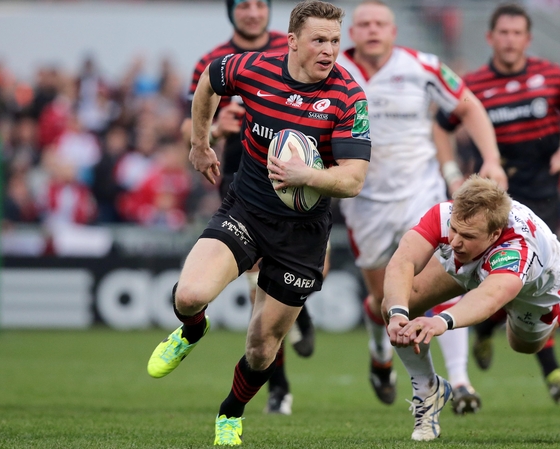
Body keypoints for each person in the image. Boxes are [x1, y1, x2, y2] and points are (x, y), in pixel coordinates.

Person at [146, 1, 371, 445]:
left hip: (302, 234)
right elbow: (210, 79)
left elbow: (353, 180)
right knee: (189, 296)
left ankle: (231, 412)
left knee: (261, 345)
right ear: (292, 42)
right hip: (246, 210)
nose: (329, 50)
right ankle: (193, 330)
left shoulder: (349, 96)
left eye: (334, 41)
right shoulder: (254, 67)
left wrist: (307, 176)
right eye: (319, 40)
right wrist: (199, 143)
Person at [335, 0, 507, 414]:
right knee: (385, 299)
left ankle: (460, 382)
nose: (373, 30)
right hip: (364, 200)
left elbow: (468, 105)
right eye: (364, 24)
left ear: (393, 32)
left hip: (421, 193)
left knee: (446, 277)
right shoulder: (334, 70)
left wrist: (491, 158)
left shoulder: (423, 66)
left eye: (380, 23)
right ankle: (380, 354)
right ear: (352, 33)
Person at [433, 3, 560, 404]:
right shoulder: (473, 84)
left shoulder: (552, 76)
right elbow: (441, 125)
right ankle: (519, 349)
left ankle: (537, 361)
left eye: (516, 33)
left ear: (528, 38)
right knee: (496, 276)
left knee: (541, 276)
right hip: (492, 196)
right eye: (503, 33)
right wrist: (451, 171)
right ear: (490, 38)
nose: (509, 40)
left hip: (541, 192)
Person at [381, 175, 560, 441]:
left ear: (494, 234)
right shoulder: (447, 214)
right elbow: (403, 261)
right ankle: (427, 390)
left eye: (467, 235)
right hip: (480, 261)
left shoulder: (517, 251)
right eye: (453, 229)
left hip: (537, 286)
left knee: (524, 345)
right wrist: (398, 314)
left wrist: (441, 321)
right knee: (395, 303)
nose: (454, 242)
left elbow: (488, 297)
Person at [181, 0, 314, 415]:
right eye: (244, 5)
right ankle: (279, 385)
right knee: (259, 287)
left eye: (260, 4)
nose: (253, 12)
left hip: (300, 177)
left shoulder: (295, 48)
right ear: (231, 12)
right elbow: (191, 120)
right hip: (244, 175)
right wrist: (214, 130)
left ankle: (300, 312)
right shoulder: (214, 60)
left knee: (304, 270)